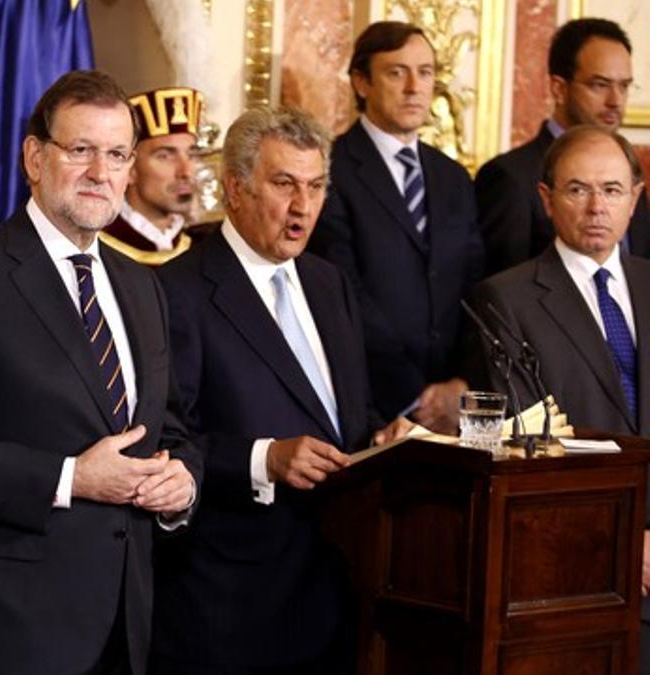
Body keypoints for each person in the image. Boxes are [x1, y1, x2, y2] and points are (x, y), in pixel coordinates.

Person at [0, 70, 201, 675]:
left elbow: (168, 429)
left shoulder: (142, 286)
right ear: (34, 158)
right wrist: (70, 478)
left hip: (124, 625)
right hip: (5, 630)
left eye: (117, 154)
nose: (100, 172)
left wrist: (182, 486)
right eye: (81, 150)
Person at [151, 106, 411, 674]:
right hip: (229, 607)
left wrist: (386, 436)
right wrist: (264, 459)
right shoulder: (176, 290)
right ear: (235, 188)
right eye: (284, 184)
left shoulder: (328, 282)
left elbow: (345, 414)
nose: (303, 207)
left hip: (337, 595)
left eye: (316, 187)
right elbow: (166, 441)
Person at [463, 125, 650, 671]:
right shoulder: (506, 298)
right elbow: (526, 450)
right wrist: (628, 534)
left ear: (635, 198)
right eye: (578, 190)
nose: (597, 207)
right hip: (577, 568)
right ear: (546, 199)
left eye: (612, 190)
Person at [309, 21, 484, 433]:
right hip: (371, 402)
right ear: (361, 82)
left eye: (425, 73)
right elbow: (343, 292)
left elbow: (477, 289)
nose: (414, 87)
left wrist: (462, 383)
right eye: (396, 72)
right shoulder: (330, 170)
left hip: (455, 403)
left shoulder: (454, 178)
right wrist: (415, 398)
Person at [476, 18, 648, 275]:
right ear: (559, 88)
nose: (615, 101)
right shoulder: (510, 177)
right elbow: (501, 291)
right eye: (599, 85)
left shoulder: (627, 173)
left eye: (623, 86)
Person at [99, 86, 202, 265]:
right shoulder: (96, 252)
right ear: (129, 168)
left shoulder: (200, 248)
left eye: (191, 154)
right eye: (165, 156)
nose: (185, 172)